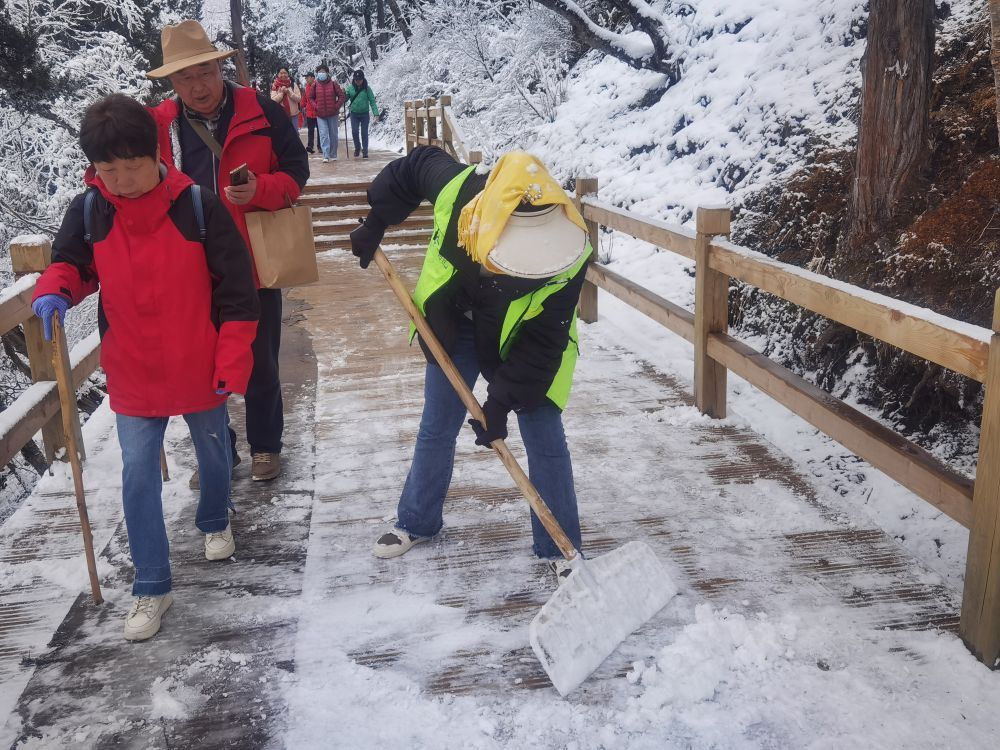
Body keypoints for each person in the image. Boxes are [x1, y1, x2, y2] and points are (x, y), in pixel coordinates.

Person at [31, 94, 260, 640]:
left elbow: (238, 293)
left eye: (132, 165)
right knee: (137, 478)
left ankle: (214, 518)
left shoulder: (198, 205)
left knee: (213, 449)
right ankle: (151, 587)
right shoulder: (90, 209)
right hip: (132, 365)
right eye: (108, 168)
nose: (122, 179)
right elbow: (71, 263)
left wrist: (231, 359)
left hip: (197, 360)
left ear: (156, 153)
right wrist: (55, 290)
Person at [349, 146, 590, 583]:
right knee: (437, 423)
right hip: (455, 323)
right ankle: (416, 520)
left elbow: (544, 341)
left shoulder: (569, 249)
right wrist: (376, 221)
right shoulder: (459, 190)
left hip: (525, 335)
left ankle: (559, 544)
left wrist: (500, 402)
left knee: (545, 435)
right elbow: (411, 167)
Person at [146, 20, 309, 484]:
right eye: (184, 77)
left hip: (255, 261)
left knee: (260, 361)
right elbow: (130, 177)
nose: (197, 86)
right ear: (172, 82)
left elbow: (297, 172)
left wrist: (262, 189)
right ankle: (219, 451)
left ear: (220, 66)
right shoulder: (160, 124)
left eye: (205, 72)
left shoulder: (261, 109)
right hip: (190, 267)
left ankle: (265, 448)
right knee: (200, 366)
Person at [307, 64, 345, 163]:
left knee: (333, 135)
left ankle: (333, 154)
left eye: (323, 72)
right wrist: (316, 106)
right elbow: (310, 97)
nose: (321, 74)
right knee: (323, 135)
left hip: (333, 114)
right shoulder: (315, 85)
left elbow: (341, 96)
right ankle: (326, 155)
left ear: (327, 73)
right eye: (319, 72)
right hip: (320, 115)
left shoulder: (333, 84)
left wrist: (336, 106)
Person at [346, 69, 378, 158]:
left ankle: (365, 151)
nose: (358, 81)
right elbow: (345, 99)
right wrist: (343, 94)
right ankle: (357, 147)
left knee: (364, 132)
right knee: (354, 131)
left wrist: (376, 113)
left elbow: (372, 101)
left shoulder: (367, 89)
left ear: (363, 79)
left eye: (360, 79)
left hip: (364, 114)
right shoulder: (350, 88)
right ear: (354, 80)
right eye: (356, 80)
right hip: (354, 114)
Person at [302, 71, 318, 154]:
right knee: (310, 130)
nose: (306, 79)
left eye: (307, 77)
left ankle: (320, 147)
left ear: (312, 78)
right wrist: (302, 105)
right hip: (309, 112)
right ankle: (310, 146)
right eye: (305, 78)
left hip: (317, 112)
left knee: (320, 131)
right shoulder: (307, 87)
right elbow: (305, 97)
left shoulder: (318, 85)